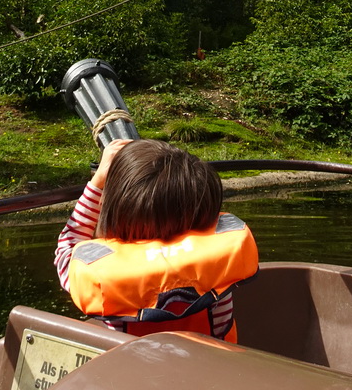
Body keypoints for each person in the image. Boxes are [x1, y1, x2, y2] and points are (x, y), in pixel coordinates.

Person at [55, 138, 259, 342]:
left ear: (114, 209)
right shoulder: (219, 270)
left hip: (135, 372)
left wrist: (98, 181)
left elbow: (68, 245)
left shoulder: (101, 276)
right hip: (212, 370)